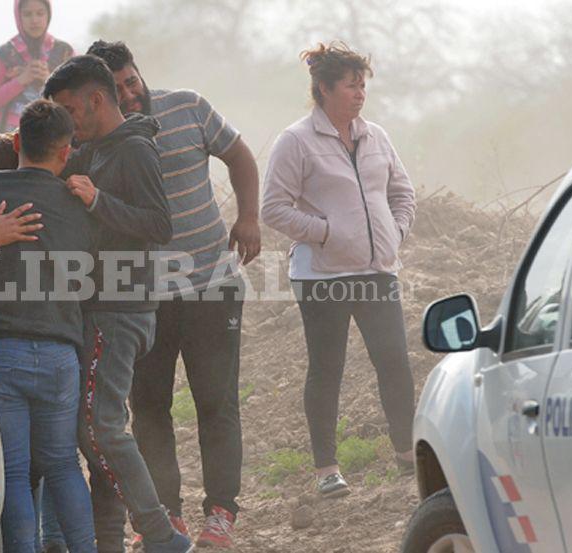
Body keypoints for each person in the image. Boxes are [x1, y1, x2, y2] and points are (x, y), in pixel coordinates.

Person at [86, 40, 260, 550]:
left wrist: (248, 216)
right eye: (117, 90)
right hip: (142, 299)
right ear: (101, 97)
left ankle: (221, 513)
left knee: (216, 402)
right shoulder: (97, 142)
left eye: (132, 82)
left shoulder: (188, 106)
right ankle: (168, 515)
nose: (130, 94)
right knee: (150, 406)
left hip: (213, 284)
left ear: (141, 75)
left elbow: (240, 156)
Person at [44, 55, 192, 553]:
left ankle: (161, 534)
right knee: (94, 430)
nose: (67, 121)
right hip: (106, 305)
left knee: (102, 428)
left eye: (68, 109)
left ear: (97, 100)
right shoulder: (98, 148)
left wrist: (96, 201)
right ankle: (109, 539)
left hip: (120, 308)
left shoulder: (132, 152)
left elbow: (159, 224)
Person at [261, 42, 417, 499]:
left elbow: (402, 193)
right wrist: (327, 232)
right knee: (327, 369)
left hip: (377, 271)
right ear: (324, 88)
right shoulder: (296, 141)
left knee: (394, 362)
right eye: (351, 85)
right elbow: (273, 208)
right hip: (322, 276)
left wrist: (395, 232)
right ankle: (327, 469)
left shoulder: (377, 136)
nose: (359, 93)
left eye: (363, 84)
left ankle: (408, 454)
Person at [0, 99, 97, 553]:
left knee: (14, 472)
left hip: (1, 353)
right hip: (61, 353)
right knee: (63, 465)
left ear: (16, 142)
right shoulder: (79, 200)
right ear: (66, 152)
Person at [0, 129, 67, 553]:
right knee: (49, 462)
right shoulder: (42, 218)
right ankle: (56, 539)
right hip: (53, 350)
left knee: (13, 466)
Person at [0, 0, 74, 136]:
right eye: (27, 14)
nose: (34, 20)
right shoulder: (5, 54)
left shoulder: (64, 52)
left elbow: (76, 101)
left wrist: (49, 81)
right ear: (18, 16)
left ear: (48, 15)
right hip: (10, 141)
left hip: (54, 138)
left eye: (40, 13)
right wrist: (21, 80)